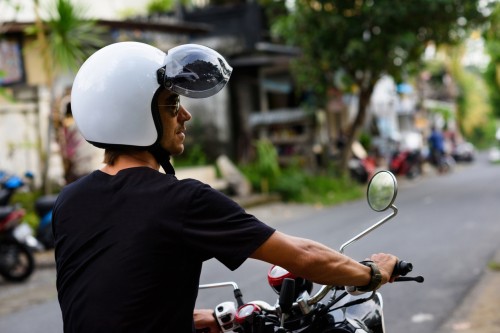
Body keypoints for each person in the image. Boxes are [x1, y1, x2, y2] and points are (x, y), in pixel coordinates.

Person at [52, 42, 398, 333]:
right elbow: (301, 256)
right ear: (135, 115)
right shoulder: (182, 201)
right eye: (172, 104)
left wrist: (199, 319)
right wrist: (371, 273)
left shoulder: (69, 202)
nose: (185, 115)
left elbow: (109, 307)